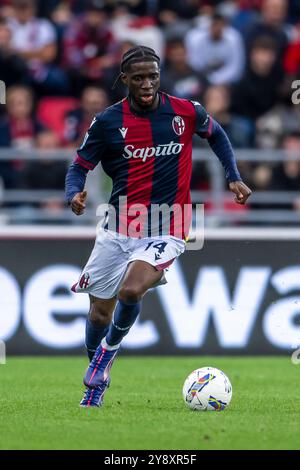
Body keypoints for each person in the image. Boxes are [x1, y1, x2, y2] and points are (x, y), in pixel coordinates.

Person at [65, 45, 252, 408]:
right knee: (98, 313)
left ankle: (106, 357)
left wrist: (233, 176)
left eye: (153, 76)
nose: (147, 84)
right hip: (119, 226)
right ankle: (96, 382)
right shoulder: (107, 121)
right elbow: (79, 166)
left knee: (132, 291)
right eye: (139, 78)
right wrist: (75, 193)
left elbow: (217, 134)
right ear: (125, 81)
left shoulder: (185, 111)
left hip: (171, 224)